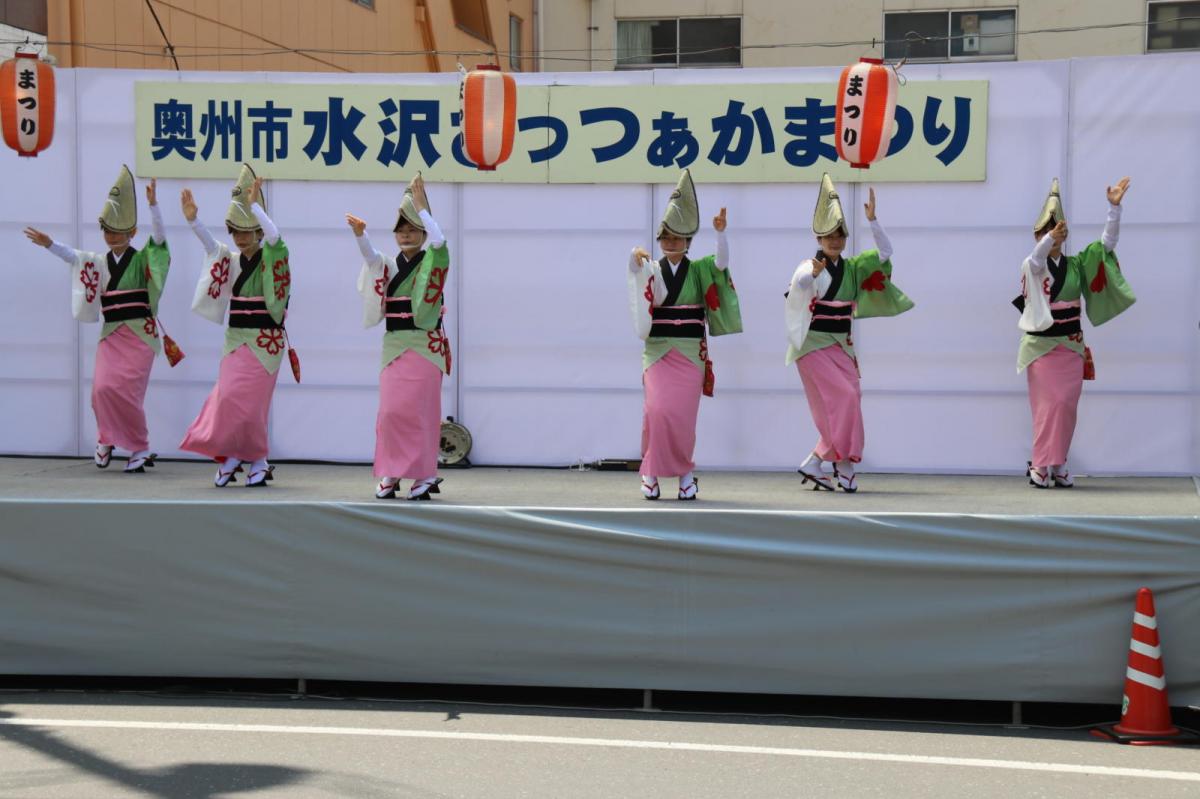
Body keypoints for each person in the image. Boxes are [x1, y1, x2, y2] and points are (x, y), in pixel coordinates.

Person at [24, 165, 170, 473]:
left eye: (118, 231)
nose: (111, 236)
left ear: (132, 233)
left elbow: (159, 242)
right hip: (112, 333)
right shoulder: (99, 262)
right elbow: (73, 257)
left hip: (140, 336)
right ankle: (106, 438)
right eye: (107, 230)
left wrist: (154, 206)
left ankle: (139, 448)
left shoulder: (143, 258)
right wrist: (50, 244)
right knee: (101, 389)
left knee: (128, 394)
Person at [784, 174, 914, 493]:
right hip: (812, 346)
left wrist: (873, 221)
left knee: (851, 398)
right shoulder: (809, 266)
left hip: (841, 345)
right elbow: (799, 285)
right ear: (818, 238)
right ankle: (843, 464)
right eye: (828, 236)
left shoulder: (854, 267)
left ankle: (819, 461)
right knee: (841, 399)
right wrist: (809, 275)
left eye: (840, 236)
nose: (835, 241)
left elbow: (885, 253)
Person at [627, 169, 742, 500]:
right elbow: (636, 275)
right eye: (665, 238)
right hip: (659, 351)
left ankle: (685, 474)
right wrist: (634, 257)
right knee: (657, 411)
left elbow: (721, 264)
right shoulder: (652, 267)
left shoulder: (701, 268)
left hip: (690, 353)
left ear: (689, 241)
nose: (670, 243)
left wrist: (720, 235)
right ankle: (650, 472)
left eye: (677, 238)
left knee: (682, 417)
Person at [1014, 177, 1134, 488]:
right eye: (1045, 232)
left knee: (1066, 406)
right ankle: (1040, 464)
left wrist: (1114, 209)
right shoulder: (1033, 264)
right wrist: (1046, 240)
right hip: (1040, 348)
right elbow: (1036, 257)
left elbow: (1107, 245)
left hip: (1070, 346)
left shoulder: (1078, 264)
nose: (1052, 236)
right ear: (1038, 235)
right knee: (1046, 406)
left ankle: (1059, 463)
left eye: (1056, 232)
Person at [179, 164, 292, 488]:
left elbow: (276, 238)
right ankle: (241, 455)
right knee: (228, 399)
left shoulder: (274, 254)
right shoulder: (230, 259)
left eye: (248, 230)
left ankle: (253, 458)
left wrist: (254, 206)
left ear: (259, 230)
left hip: (265, 342)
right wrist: (193, 220)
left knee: (252, 407)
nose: (241, 238)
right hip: (236, 339)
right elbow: (211, 248)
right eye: (236, 231)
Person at [347, 174, 451, 500]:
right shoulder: (390, 266)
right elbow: (371, 260)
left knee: (421, 413)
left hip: (424, 346)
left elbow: (440, 245)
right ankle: (391, 472)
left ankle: (423, 474)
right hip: (394, 347)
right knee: (391, 413)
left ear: (423, 232)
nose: (406, 235)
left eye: (412, 230)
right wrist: (361, 236)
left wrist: (423, 210)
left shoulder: (432, 259)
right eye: (401, 230)